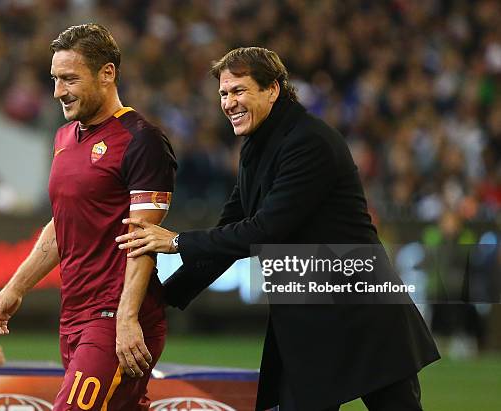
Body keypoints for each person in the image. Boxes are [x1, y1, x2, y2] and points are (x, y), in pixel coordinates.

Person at [116, 47, 440, 411]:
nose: (228, 102)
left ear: (273, 89)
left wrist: (177, 242)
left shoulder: (309, 142)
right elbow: (231, 230)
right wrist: (160, 299)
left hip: (362, 315)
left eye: (239, 90)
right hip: (309, 318)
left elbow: (266, 230)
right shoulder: (258, 146)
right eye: (223, 93)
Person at [0, 24, 176, 410]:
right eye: (55, 79)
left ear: (107, 73)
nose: (58, 91)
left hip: (114, 315)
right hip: (74, 314)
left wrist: (125, 318)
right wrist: (15, 288)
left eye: (70, 79)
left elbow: (143, 237)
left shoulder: (141, 140)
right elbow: (61, 225)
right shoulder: (63, 138)